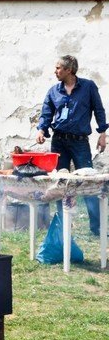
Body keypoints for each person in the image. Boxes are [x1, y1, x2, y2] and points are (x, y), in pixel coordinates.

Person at [36, 54, 108, 235]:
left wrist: (103, 134)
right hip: (59, 142)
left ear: (69, 70)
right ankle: (63, 225)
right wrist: (41, 130)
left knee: (88, 183)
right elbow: (46, 113)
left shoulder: (88, 87)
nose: (55, 71)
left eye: (58, 68)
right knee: (60, 183)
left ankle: (97, 228)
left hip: (79, 142)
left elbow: (99, 110)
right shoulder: (54, 91)